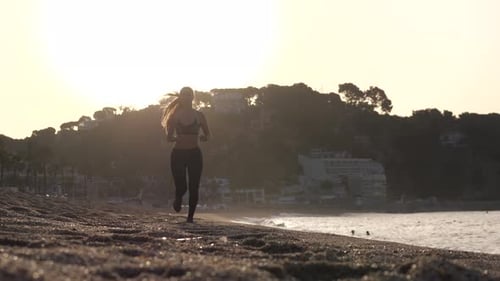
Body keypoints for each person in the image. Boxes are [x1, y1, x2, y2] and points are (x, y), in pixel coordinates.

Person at [161, 86, 211, 223]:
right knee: (182, 186)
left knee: (194, 186)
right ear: (181, 97)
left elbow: (208, 134)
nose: (186, 97)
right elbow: (169, 137)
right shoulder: (175, 116)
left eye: (189, 95)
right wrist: (176, 138)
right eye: (184, 95)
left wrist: (203, 138)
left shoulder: (199, 115)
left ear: (192, 97)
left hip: (195, 154)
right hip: (178, 154)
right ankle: (178, 198)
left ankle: (190, 218)